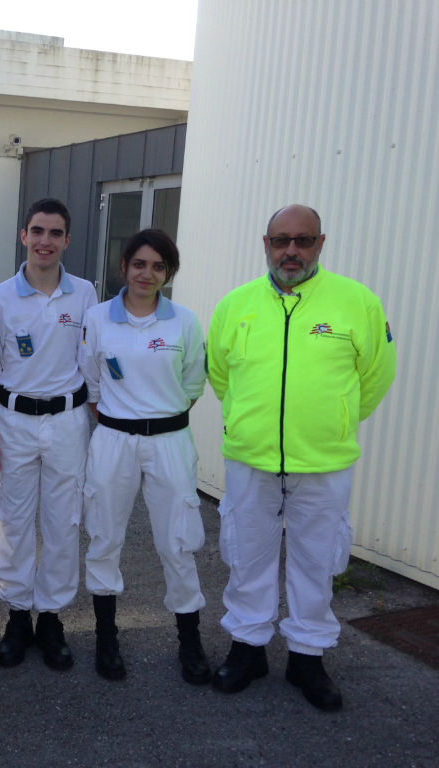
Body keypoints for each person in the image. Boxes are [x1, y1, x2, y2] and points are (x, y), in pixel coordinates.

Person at [207, 204, 396, 710]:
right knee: (247, 555)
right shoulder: (236, 304)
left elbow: (377, 375)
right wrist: (247, 419)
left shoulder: (357, 302)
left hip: (324, 461)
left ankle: (307, 657)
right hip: (251, 457)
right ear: (266, 244)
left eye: (304, 240)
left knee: (317, 559)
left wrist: (334, 420)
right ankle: (248, 648)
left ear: (321, 244)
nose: (291, 251)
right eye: (281, 240)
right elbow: (220, 374)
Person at [78, 229, 210, 684]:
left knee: (178, 541)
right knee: (104, 536)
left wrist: (157, 418)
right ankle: (106, 638)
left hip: (170, 442)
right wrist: (127, 420)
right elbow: (92, 383)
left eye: (158, 267)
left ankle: (190, 641)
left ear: (168, 273)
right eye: (139, 264)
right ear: (124, 267)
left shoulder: (184, 322)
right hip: (113, 441)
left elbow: (192, 384)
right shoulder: (97, 318)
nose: (146, 274)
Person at [0, 198, 95, 671]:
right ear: (24, 235)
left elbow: (92, 362)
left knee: (64, 521)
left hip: (67, 420)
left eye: (55, 233)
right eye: (37, 231)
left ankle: (52, 618)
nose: (45, 241)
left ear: (67, 240)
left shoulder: (85, 294)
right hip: (15, 422)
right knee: (13, 519)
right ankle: (18, 614)